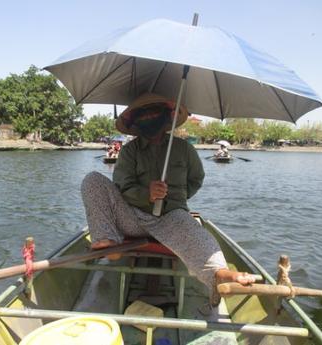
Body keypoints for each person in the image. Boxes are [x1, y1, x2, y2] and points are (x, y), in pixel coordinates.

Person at [81, 93, 256, 307]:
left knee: (201, 238)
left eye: (154, 113)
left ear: (166, 117)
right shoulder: (129, 151)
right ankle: (108, 242)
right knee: (92, 180)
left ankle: (219, 274)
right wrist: (147, 193)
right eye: (144, 115)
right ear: (136, 121)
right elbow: (121, 188)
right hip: (133, 217)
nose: (150, 118)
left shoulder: (184, 149)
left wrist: (176, 200)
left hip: (172, 218)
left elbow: (196, 179)